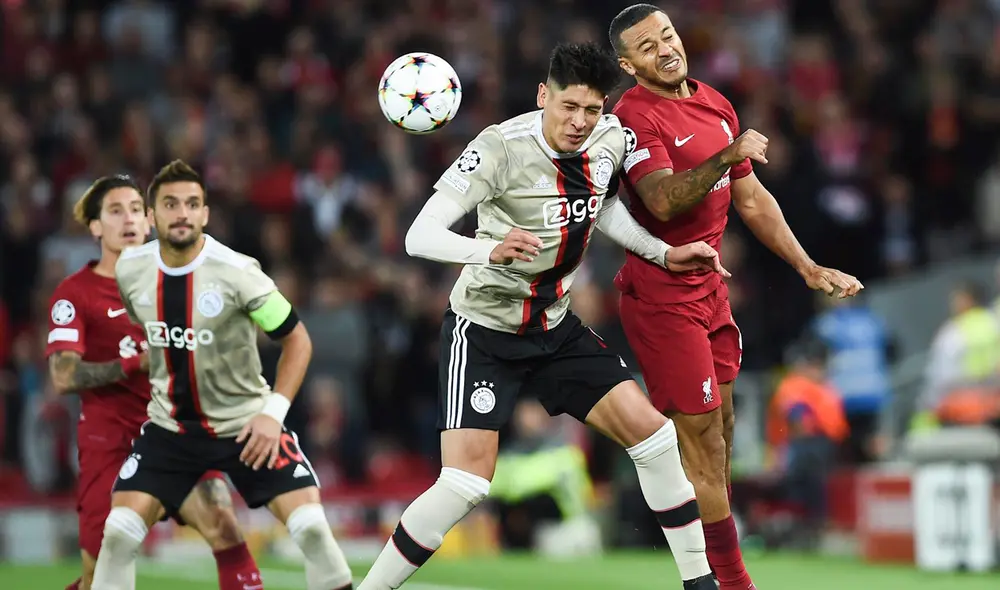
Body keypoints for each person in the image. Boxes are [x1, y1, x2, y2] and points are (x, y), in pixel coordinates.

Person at [358, 42, 725, 590]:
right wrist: (489, 248)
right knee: (465, 483)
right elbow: (419, 235)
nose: (579, 122)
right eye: (567, 107)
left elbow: (602, 210)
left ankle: (701, 583)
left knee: (653, 437)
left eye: (591, 109)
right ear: (542, 96)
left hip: (555, 326)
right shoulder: (498, 148)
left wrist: (662, 252)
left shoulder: (611, 140)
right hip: (483, 330)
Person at [608, 5, 863, 589]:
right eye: (647, 46)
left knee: (719, 436)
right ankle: (731, 582)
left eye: (668, 35)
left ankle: (718, 572)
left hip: (710, 294)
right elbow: (662, 201)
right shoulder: (632, 118)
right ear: (628, 64)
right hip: (661, 297)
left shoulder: (715, 102)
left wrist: (806, 265)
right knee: (700, 442)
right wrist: (726, 155)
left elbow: (750, 199)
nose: (666, 48)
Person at [89, 161, 352, 590]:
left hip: (246, 427)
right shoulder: (131, 270)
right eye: (171, 204)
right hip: (171, 431)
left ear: (205, 215)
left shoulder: (238, 272)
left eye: (193, 204)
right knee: (118, 534)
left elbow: (297, 340)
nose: (182, 214)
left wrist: (273, 414)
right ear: (151, 216)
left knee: (312, 530)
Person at [45, 175, 262, 590]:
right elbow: (63, 375)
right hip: (110, 444)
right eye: (114, 211)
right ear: (95, 227)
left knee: (227, 531)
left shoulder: (178, 279)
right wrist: (135, 363)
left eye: (134, 210)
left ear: (148, 221)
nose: (127, 219)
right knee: (98, 574)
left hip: (175, 435)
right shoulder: (75, 295)